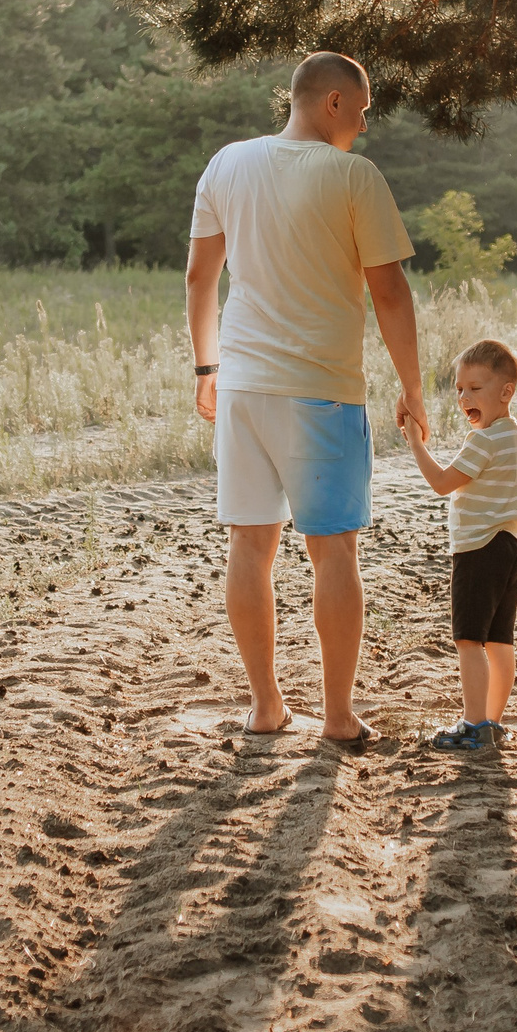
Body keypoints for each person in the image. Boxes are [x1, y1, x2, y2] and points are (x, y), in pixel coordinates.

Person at [186, 52, 426, 743]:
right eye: (364, 108)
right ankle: (339, 716)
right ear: (331, 102)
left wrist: (207, 365)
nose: (366, 123)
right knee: (335, 553)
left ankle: (265, 706)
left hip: (241, 386)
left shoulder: (226, 164)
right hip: (321, 392)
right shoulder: (353, 175)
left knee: (249, 545)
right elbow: (390, 292)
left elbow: (201, 278)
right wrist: (411, 388)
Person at [397, 338, 517, 752]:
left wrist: (415, 443)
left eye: (475, 388)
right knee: (500, 641)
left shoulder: (484, 441)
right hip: (511, 546)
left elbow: (441, 483)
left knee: (469, 641)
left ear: (505, 391)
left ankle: (474, 724)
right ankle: (493, 720)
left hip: (479, 549)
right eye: (459, 388)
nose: (463, 397)